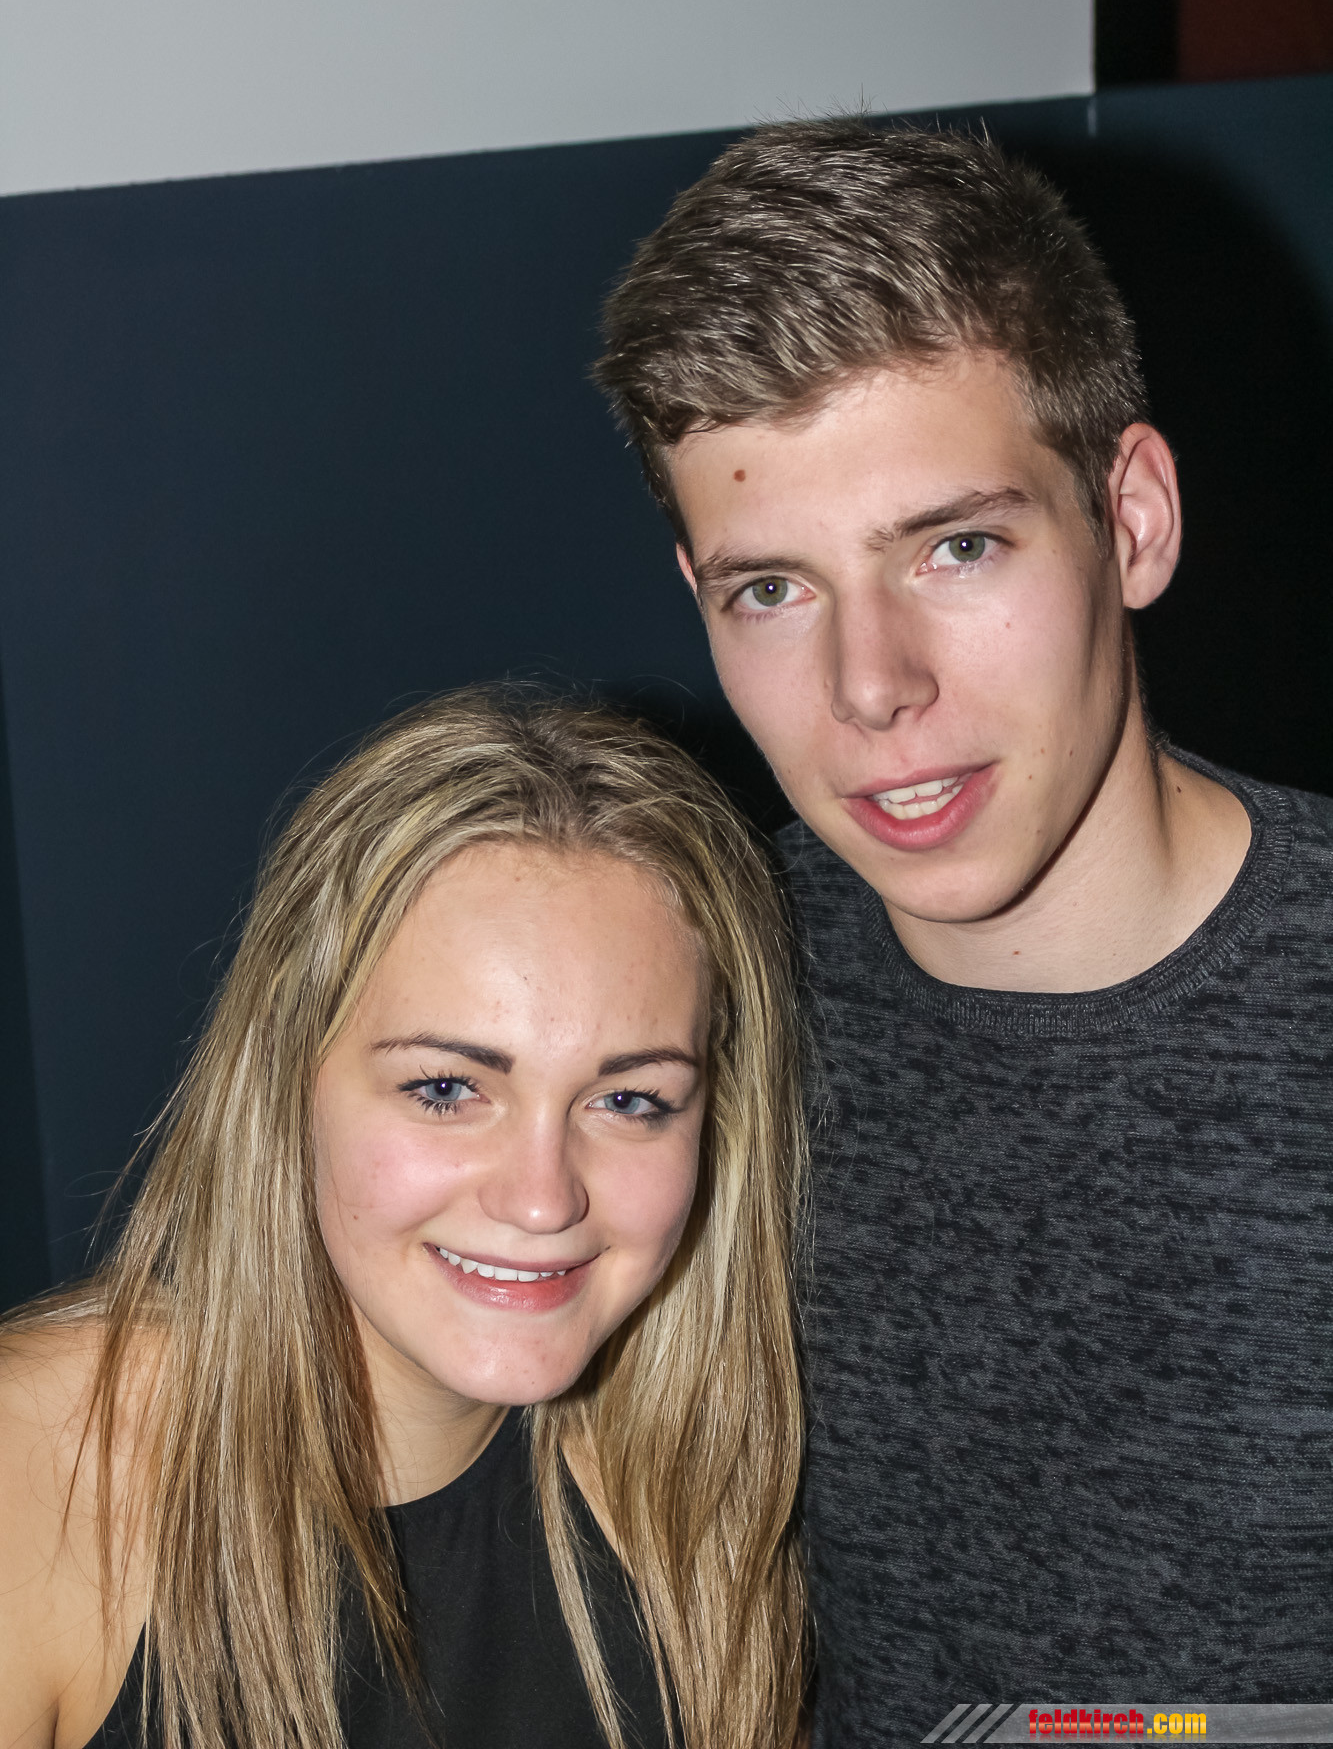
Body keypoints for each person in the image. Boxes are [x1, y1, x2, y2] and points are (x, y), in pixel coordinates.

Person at [596, 122, 1333, 1741]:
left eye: (955, 547)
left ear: (1130, 521)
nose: (872, 687)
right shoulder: (679, 999)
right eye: (771, 590)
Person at [0, 689, 807, 1749]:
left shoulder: (699, 1490)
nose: (541, 1197)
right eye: (445, 1088)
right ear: (286, 1081)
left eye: (628, 1099)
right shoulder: (34, 1471)